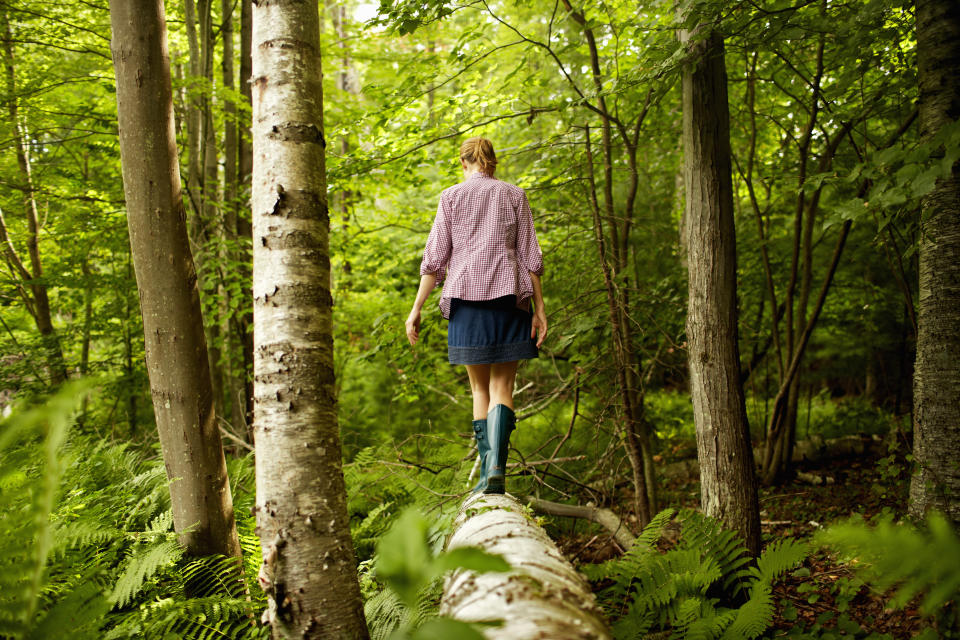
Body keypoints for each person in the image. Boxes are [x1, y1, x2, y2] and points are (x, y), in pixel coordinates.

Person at [405, 137, 547, 495]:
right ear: (493, 164)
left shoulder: (450, 197)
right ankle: (498, 468)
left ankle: (487, 475)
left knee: (479, 387)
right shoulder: (515, 195)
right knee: (503, 386)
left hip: (466, 300)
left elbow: (434, 261)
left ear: (463, 163)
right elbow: (531, 258)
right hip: (509, 300)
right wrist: (541, 310)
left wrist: (416, 308)